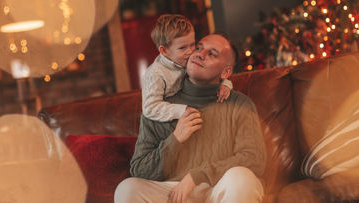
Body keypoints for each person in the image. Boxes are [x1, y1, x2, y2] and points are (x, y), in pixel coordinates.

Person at [114, 33, 267, 203]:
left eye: (212, 54)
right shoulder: (158, 106)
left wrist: (197, 176)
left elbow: (254, 159)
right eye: (199, 47)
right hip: (176, 194)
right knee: (128, 189)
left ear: (226, 72)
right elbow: (140, 169)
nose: (200, 54)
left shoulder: (240, 104)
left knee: (242, 178)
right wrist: (175, 139)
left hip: (220, 189)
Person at [142, 14, 232, 122]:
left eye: (193, 44)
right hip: (170, 120)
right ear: (164, 51)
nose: (190, 51)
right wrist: (183, 110)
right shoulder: (155, 74)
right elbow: (150, 108)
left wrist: (225, 84)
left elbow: (210, 75)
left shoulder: (186, 59)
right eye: (182, 48)